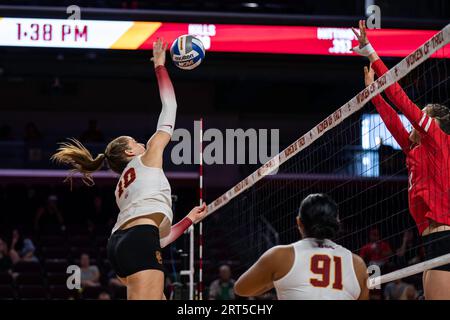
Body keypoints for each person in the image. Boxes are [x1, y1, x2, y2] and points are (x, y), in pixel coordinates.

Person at [51, 38, 207, 300]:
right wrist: (160, 66)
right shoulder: (148, 159)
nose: (141, 142)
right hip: (137, 241)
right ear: (129, 152)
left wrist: (189, 219)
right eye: (134, 141)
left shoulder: (124, 187)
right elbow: (171, 107)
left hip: (122, 245)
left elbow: (156, 239)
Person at [353, 20, 450, 299]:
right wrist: (373, 91)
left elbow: (401, 101)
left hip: (445, 238)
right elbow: (392, 120)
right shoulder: (414, 150)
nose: (417, 118)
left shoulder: (437, 138)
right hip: (430, 239)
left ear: (434, 123)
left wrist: (371, 51)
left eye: (423, 113)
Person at [234, 193, 369, 300]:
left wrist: (273, 282)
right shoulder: (358, 264)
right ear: (336, 222)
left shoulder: (279, 256)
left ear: (299, 222)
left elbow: (241, 289)